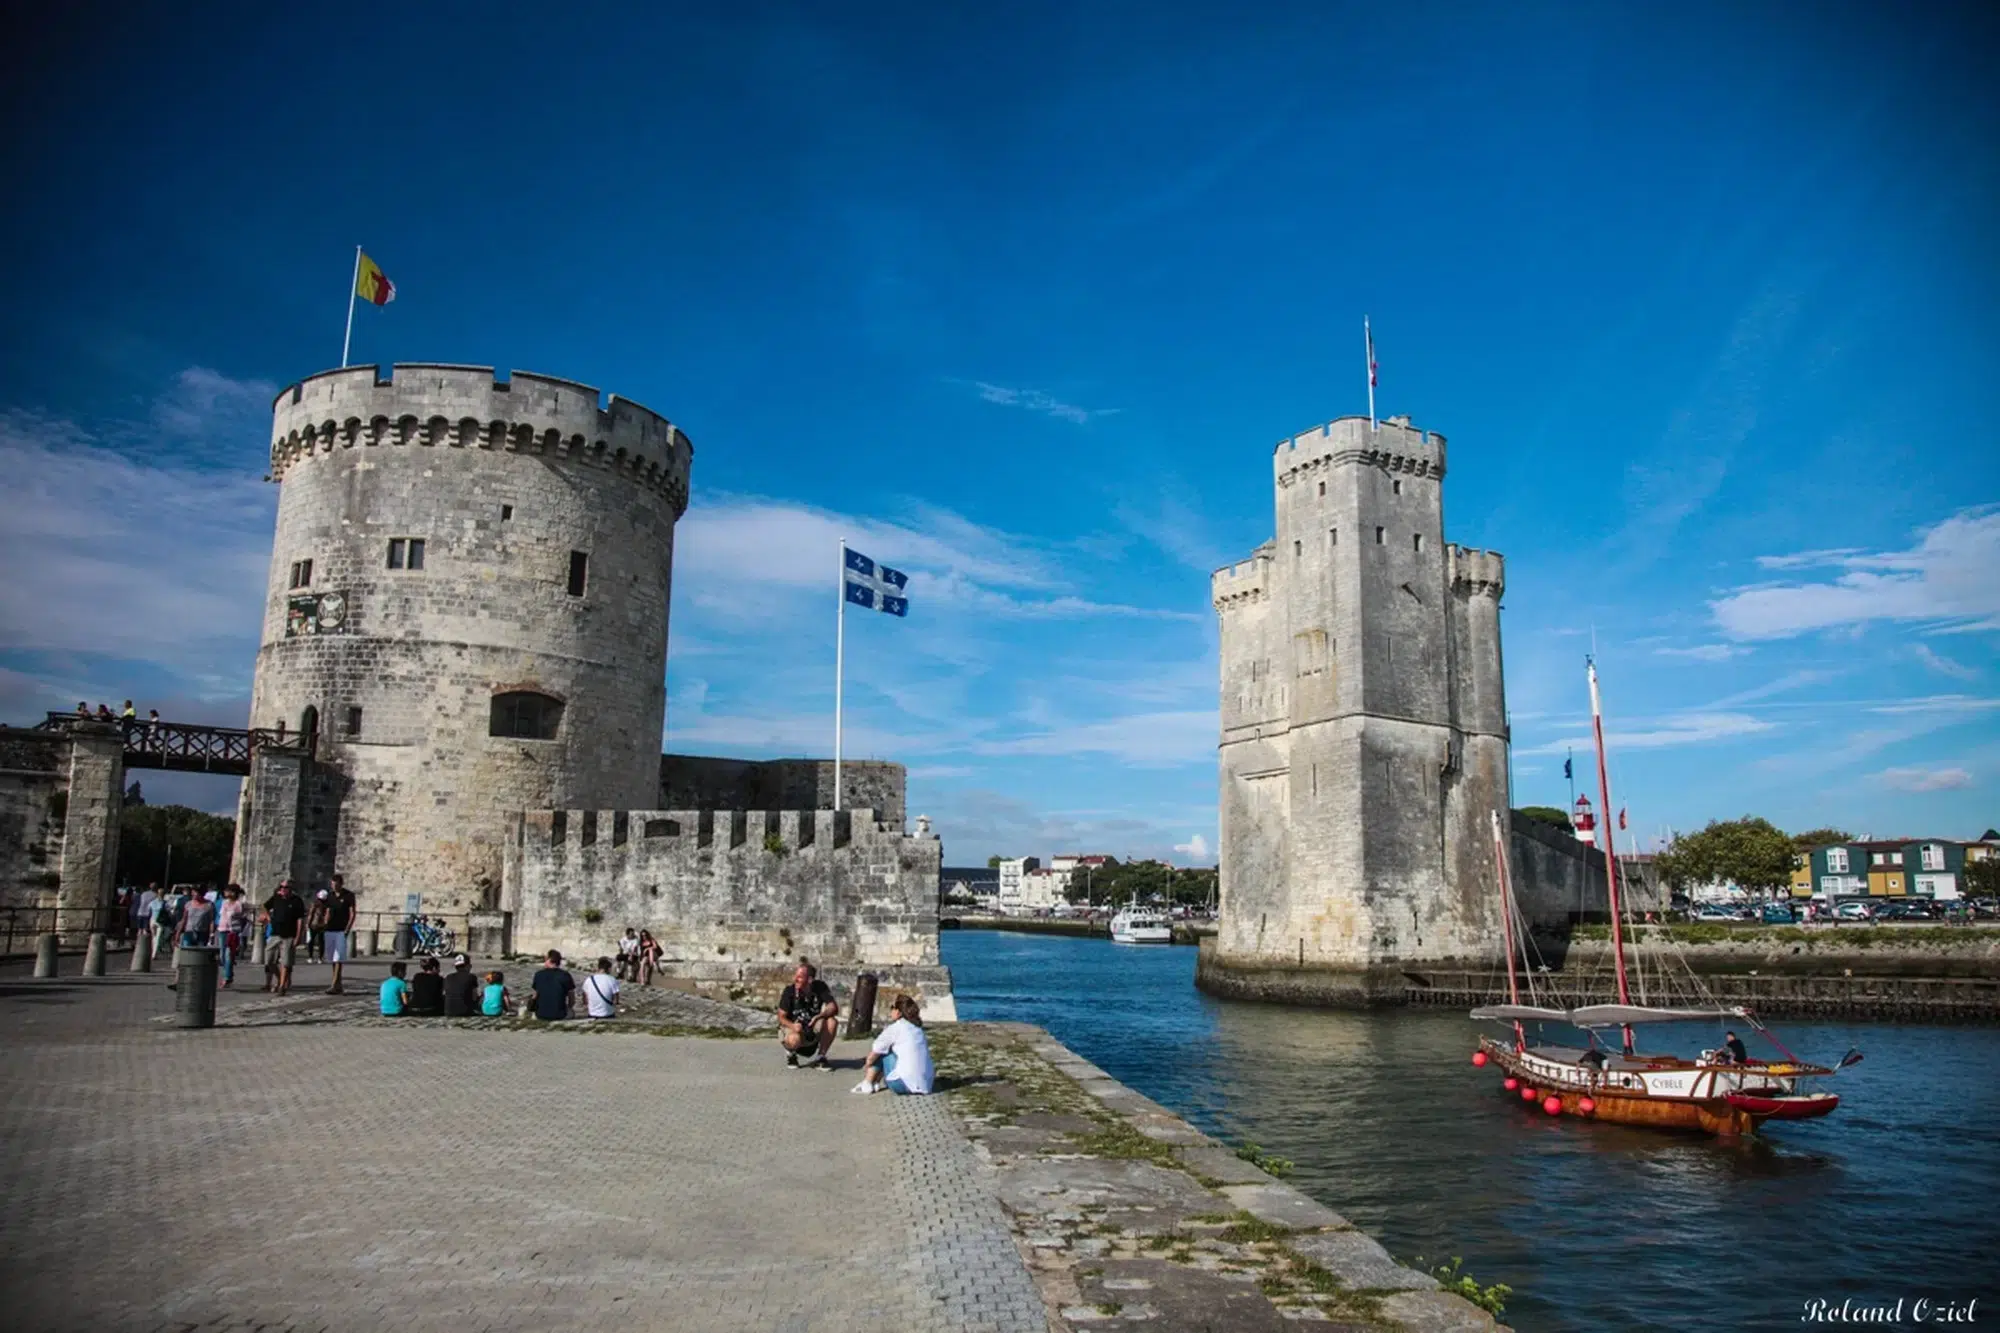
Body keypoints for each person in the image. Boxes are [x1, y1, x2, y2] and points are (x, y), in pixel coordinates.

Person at [852, 994, 935, 1096]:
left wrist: (868, 1065)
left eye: (892, 1008)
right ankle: (875, 1082)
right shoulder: (918, 1029)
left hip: (902, 1085)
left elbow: (874, 1053)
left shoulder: (896, 1028)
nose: (890, 1011)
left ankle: (867, 1083)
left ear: (899, 1012)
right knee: (891, 1049)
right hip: (926, 1085)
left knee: (884, 1051)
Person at [776, 959, 838, 1069]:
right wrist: (792, 1026)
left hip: (812, 1026)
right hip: (795, 1029)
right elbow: (781, 1017)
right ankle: (791, 1054)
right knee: (794, 1039)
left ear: (809, 979)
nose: (796, 979)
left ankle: (821, 1058)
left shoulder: (819, 987)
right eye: (796, 975)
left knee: (832, 1021)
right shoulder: (789, 991)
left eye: (800, 977)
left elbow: (833, 1007)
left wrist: (819, 1016)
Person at [263, 880, 308, 996]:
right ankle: (279, 979)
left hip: (289, 935)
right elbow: (265, 906)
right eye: (281, 887)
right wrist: (268, 918)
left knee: (286, 962)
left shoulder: (297, 901)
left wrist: (298, 936)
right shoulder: (276, 898)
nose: (283, 889)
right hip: (275, 933)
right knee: (268, 960)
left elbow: (300, 920)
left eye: (285, 887)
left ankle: (282, 986)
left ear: (291, 889)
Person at [322, 874, 357, 995]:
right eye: (332, 884)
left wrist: (348, 928)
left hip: (341, 930)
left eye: (336, 885)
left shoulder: (348, 895)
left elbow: (352, 913)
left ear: (341, 884)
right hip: (330, 929)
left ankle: (333, 984)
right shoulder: (329, 896)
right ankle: (338, 983)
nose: (334, 887)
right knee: (332, 958)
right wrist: (324, 923)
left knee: (339, 957)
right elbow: (326, 910)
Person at [214, 885, 248, 987]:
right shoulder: (224, 902)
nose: (225, 893)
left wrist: (239, 930)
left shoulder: (238, 904)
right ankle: (228, 973)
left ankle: (227, 977)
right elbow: (220, 915)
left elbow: (241, 918)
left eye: (227, 891)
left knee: (228, 954)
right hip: (222, 929)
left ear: (233, 893)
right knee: (222, 955)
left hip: (232, 931)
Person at [529, 950, 576, 1021]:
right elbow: (571, 997)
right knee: (571, 1012)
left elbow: (535, 995)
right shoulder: (565, 975)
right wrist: (569, 1007)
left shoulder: (538, 975)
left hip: (541, 1014)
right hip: (560, 1015)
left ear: (549, 960)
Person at [305, 890, 329, 964]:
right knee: (321, 942)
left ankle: (310, 957)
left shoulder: (315, 903)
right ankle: (320, 958)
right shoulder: (327, 905)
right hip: (322, 925)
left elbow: (311, 914)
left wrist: (307, 924)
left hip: (313, 924)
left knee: (311, 941)